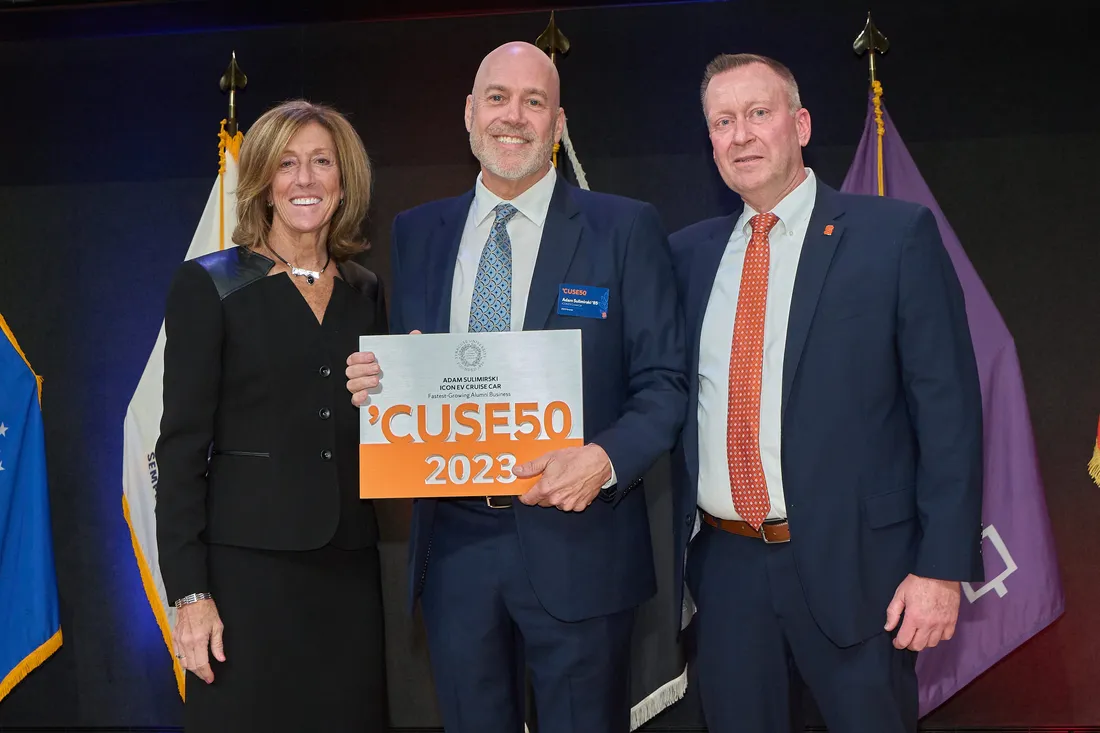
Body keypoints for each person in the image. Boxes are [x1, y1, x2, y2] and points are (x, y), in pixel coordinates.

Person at [346, 41, 687, 733]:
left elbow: (666, 384)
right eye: (497, 98)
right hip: (456, 552)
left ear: (558, 125)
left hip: (581, 543)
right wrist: (381, 383)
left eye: (535, 102)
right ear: (469, 115)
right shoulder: (418, 234)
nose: (514, 116)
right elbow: (415, 376)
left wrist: (602, 459)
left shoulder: (623, 228)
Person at [668, 53, 984, 733]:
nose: (741, 134)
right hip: (725, 574)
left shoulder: (894, 237)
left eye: (758, 113)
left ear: (801, 123)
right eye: (722, 121)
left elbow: (949, 412)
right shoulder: (685, 256)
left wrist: (942, 567)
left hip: (862, 572)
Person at [156, 99, 388, 732]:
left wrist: (403, 393)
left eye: (320, 162)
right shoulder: (209, 286)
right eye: (286, 164)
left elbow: (379, 431)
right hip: (242, 580)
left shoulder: (366, 290)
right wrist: (190, 592)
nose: (304, 180)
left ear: (345, 182)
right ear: (261, 180)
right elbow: (178, 452)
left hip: (347, 572)